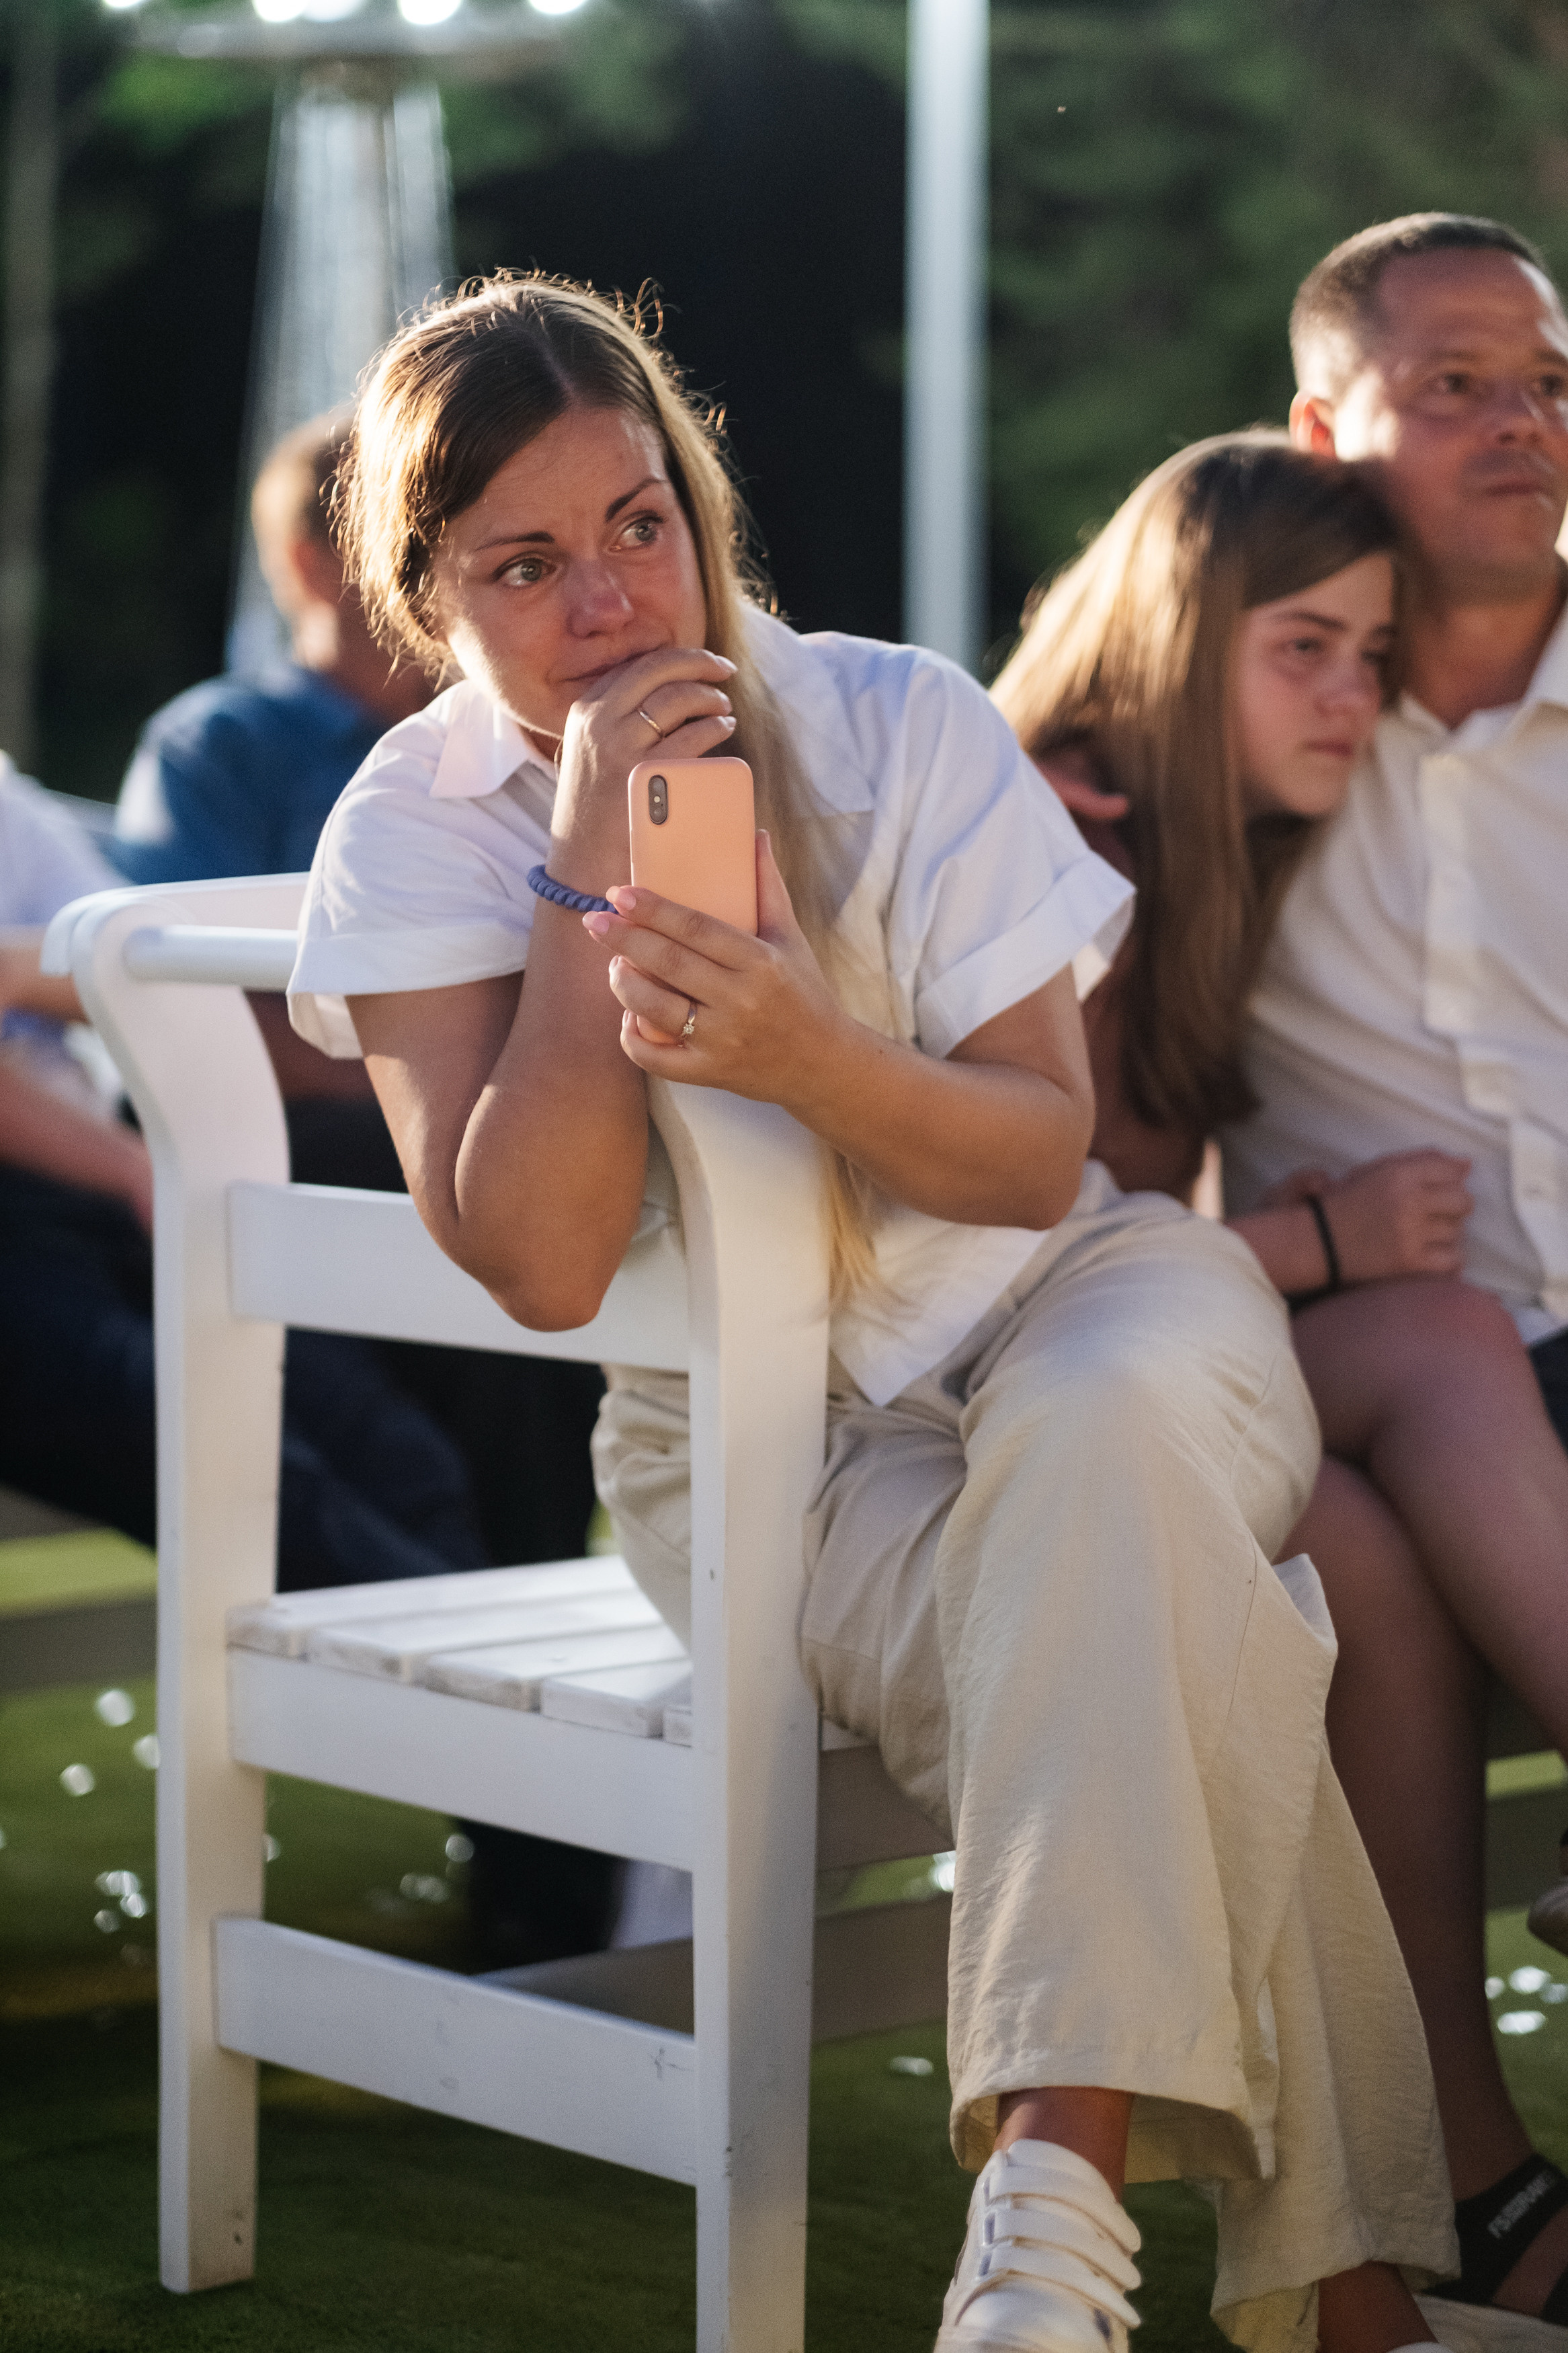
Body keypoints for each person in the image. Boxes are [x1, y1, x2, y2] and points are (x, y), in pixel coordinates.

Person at [286, 272, 1454, 2353]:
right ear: (425, 599)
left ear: (697, 503)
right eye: (523, 564)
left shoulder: (895, 718)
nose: (611, 600)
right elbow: (541, 1258)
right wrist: (581, 884)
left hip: (1085, 1297)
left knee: (1107, 1453)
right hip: (764, 1448)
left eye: (640, 521)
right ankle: (1341, 2293)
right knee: (1192, 1604)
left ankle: (1045, 2210)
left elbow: (1031, 1149)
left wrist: (809, 1049)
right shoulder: (416, 827)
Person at [994, 412, 1568, 2340]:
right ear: (1177, 636)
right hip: (967, 1449)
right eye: (1299, 648)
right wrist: (1308, 1243)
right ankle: (1467, 2177)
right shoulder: (1046, 838)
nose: (1348, 696)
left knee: (1378, 1489)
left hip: (1132, 1401)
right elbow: (976, 1285)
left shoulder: (1214, 851)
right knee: (1381, 1427)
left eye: (1367, 656)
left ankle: (1470, 2186)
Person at [1215, 213, 1568, 2333]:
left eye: (1545, 381)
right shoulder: (1241, 722)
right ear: (1322, 425)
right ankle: (1478, 2175)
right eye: (1459, 382)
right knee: (1349, 1519)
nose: (1524, 420)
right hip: (1388, 1362)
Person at [0, 753, 487, 1591]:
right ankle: (466, 1698)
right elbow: (115, 967)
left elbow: (133, 952)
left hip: (111, 1183)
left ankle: (477, 1676)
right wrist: (134, 1168)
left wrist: (19, 967)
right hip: (74, 1201)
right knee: (247, 1468)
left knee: (394, 1451)